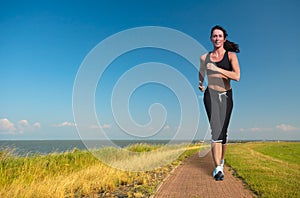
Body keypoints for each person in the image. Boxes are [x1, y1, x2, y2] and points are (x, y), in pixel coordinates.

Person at [199, 25, 240, 181]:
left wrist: (217, 70)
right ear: (211, 38)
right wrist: (200, 81)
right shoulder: (204, 57)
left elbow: (237, 76)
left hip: (226, 96)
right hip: (210, 95)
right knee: (215, 130)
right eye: (214, 36)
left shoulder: (230, 56)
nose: (217, 38)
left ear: (224, 39)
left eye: (219, 36)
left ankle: (221, 161)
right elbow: (201, 70)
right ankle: (217, 168)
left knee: (223, 133)